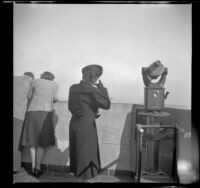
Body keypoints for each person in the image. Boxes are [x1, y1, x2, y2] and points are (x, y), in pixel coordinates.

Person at [68, 64, 110, 180]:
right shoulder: (92, 90)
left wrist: (90, 113)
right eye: (97, 77)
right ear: (93, 77)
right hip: (86, 127)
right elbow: (106, 104)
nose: (97, 79)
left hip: (74, 124)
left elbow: (72, 107)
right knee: (87, 157)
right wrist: (101, 86)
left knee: (78, 156)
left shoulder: (73, 88)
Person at [20, 71, 59, 177]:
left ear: (42, 75)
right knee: (41, 143)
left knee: (32, 142)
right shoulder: (54, 84)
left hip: (32, 113)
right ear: (51, 78)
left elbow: (29, 96)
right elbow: (56, 99)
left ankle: (32, 167)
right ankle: (38, 167)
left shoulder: (34, 82)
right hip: (45, 114)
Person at [13, 72, 34, 174]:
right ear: (32, 77)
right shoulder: (30, 82)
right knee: (16, 143)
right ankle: (15, 168)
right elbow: (31, 97)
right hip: (17, 115)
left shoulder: (15, 78)